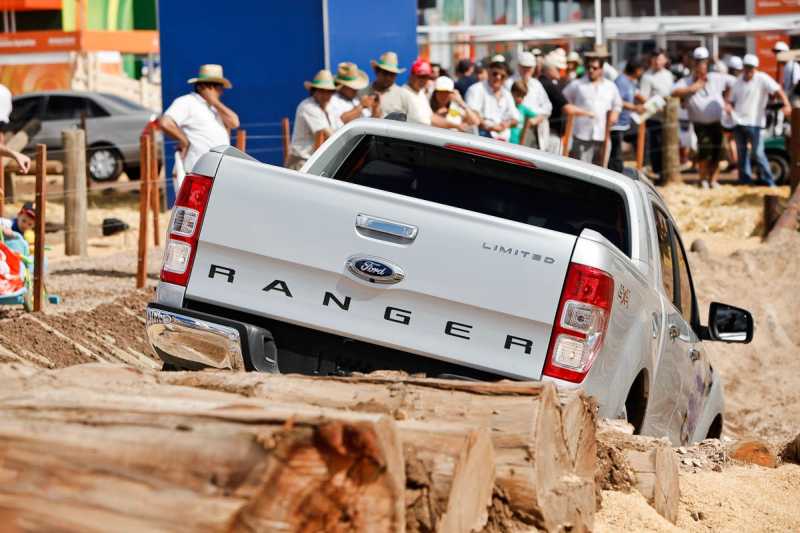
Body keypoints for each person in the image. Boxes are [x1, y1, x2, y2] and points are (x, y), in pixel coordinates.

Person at [160, 64, 240, 175]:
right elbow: (165, 123)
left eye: (220, 87)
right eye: (216, 86)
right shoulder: (187, 102)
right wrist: (184, 141)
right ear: (202, 87)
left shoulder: (215, 108)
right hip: (199, 172)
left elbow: (234, 122)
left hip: (219, 172)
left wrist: (214, 102)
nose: (220, 91)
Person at [672, 47, 733, 188]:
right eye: (698, 63)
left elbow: (735, 83)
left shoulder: (716, 77)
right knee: (705, 151)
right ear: (694, 64)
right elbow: (673, 91)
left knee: (718, 152)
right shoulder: (687, 81)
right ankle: (703, 179)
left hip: (718, 121)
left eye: (703, 63)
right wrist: (692, 88)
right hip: (700, 123)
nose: (701, 66)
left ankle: (713, 180)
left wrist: (728, 101)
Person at [726, 54, 792, 186]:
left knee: (758, 153)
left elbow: (778, 90)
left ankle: (770, 181)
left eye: (751, 67)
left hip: (755, 123)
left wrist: (786, 104)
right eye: (747, 67)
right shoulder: (738, 81)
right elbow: (731, 100)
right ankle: (745, 181)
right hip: (738, 122)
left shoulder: (762, 78)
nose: (748, 70)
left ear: (755, 68)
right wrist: (728, 108)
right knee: (742, 153)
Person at [562, 50, 622, 165]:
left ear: (601, 69)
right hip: (582, 135)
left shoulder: (610, 86)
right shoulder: (577, 84)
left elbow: (617, 104)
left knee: (601, 169)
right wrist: (575, 111)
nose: (591, 70)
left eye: (594, 68)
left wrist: (615, 115)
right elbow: (563, 100)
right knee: (582, 168)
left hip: (602, 133)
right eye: (589, 67)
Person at [286, 70, 337, 170]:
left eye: (329, 91)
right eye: (321, 90)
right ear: (314, 91)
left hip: (312, 161)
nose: (325, 94)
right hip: (301, 161)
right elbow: (327, 133)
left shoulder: (329, 108)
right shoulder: (308, 106)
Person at [465, 56, 519, 141]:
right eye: (495, 74)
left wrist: (507, 124)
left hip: (503, 139)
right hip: (480, 137)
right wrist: (491, 127)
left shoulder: (506, 94)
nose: (498, 77)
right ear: (488, 72)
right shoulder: (475, 89)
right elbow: (472, 114)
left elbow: (516, 118)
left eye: (502, 76)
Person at [639, 49, 673, 181]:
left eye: (660, 59)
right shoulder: (647, 76)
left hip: (669, 118)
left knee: (668, 146)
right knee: (656, 146)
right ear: (651, 60)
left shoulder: (669, 74)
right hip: (654, 117)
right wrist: (655, 105)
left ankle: (668, 172)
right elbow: (643, 97)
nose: (658, 62)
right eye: (655, 59)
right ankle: (658, 173)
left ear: (665, 60)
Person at [507, 52, 551, 149]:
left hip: (533, 130)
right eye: (524, 67)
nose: (526, 70)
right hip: (513, 130)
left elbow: (547, 107)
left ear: (534, 68)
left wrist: (536, 118)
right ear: (519, 66)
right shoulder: (509, 83)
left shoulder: (536, 84)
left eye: (529, 67)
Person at [609, 58, 645, 173]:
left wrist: (648, 102)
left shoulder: (631, 81)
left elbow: (635, 94)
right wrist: (634, 107)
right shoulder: (621, 81)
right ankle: (615, 175)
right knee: (616, 155)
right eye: (641, 70)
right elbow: (617, 100)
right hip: (617, 123)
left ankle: (641, 165)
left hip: (626, 122)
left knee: (639, 138)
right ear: (637, 70)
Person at [329, 62, 379, 129]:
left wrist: (375, 108)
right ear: (343, 86)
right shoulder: (332, 100)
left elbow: (370, 123)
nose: (356, 89)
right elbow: (342, 120)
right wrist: (361, 106)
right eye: (353, 87)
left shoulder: (355, 99)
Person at [539, 54, 569, 153]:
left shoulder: (544, 82)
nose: (560, 71)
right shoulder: (548, 84)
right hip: (550, 133)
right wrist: (589, 113)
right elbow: (568, 108)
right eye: (558, 69)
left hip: (548, 131)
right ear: (549, 69)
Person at [362, 51, 407, 117]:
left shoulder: (403, 95)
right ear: (377, 71)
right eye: (385, 73)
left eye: (392, 74)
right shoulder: (362, 92)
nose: (388, 77)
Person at [402, 59, 437, 126]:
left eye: (427, 77)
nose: (424, 80)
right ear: (412, 76)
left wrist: (455, 124)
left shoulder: (421, 92)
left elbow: (430, 118)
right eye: (421, 76)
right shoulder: (403, 93)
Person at [509, 80, 537, 145]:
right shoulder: (507, 106)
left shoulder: (523, 109)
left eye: (523, 96)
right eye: (518, 95)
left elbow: (537, 116)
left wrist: (529, 123)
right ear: (512, 93)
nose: (520, 99)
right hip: (505, 141)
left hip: (518, 143)